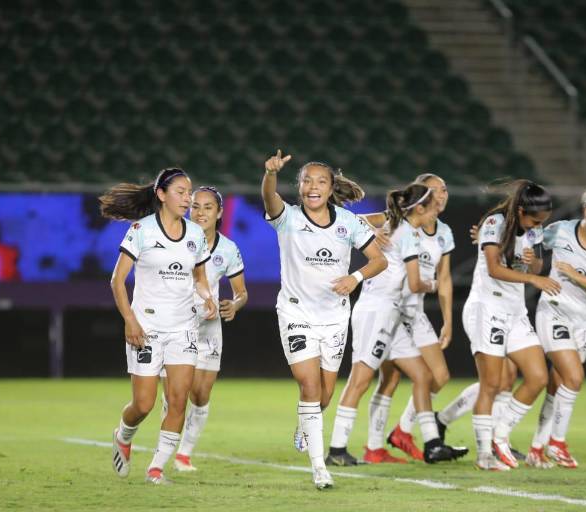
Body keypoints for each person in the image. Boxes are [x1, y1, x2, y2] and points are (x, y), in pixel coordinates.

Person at [262, 150, 387, 489]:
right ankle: (320, 469)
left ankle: (306, 423)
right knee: (309, 386)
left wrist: (355, 278)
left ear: (331, 188)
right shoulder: (286, 217)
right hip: (295, 312)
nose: (312, 187)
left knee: (325, 395)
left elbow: (378, 260)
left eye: (320, 181)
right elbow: (269, 196)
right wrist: (270, 173)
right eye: (306, 181)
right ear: (299, 186)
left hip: (334, 317)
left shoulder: (348, 222)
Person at [326, 182, 460, 467]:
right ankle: (337, 449)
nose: (436, 208)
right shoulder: (407, 234)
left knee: (423, 376)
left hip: (393, 314)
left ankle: (430, 442)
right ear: (419, 208)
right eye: (430, 204)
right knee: (360, 379)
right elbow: (414, 282)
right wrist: (434, 284)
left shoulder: (398, 226)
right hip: (377, 310)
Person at [101, 168, 217, 484]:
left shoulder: (195, 235)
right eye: (180, 191)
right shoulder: (142, 230)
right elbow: (117, 280)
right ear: (162, 195)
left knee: (178, 400)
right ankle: (123, 436)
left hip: (183, 329)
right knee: (143, 404)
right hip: (147, 328)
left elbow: (200, 280)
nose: (187, 198)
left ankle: (156, 468)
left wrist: (206, 298)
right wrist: (130, 320)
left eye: (189, 192)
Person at [525, 183, 586, 468]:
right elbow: (527, 236)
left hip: (585, 320)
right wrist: (525, 256)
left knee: (559, 385)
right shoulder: (560, 230)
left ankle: (536, 448)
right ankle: (557, 443)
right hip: (554, 310)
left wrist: (575, 275)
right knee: (575, 377)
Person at [466, 180, 558, 471]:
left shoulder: (535, 228)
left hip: (515, 310)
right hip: (487, 308)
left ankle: (500, 435)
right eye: (533, 220)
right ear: (520, 210)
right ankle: (484, 456)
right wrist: (532, 278)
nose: (536, 226)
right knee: (492, 384)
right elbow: (494, 268)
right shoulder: (494, 223)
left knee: (537, 377)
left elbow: (537, 266)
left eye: (541, 222)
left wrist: (532, 265)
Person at [160, 186, 248, 472]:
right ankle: (165, 452)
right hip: (173, 325)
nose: (200, 212)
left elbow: (241, 292)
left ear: (219, 212)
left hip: (208, 328)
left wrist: (234, 305)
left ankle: (184, 454)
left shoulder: (228, 249)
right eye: (195, 206)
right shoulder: (174, 238)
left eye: (208, 207)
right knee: (176, 393)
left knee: (200, 393)